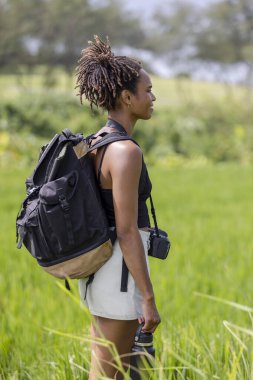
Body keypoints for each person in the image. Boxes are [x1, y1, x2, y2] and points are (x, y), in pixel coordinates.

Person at [75, 36, 161, 379]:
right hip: (119, 273)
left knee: (119, 368)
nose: (153, 98)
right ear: (127, 97)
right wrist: (148, 298)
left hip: (101, 269)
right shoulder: (126, 152)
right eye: (148, 90)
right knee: (109, 372)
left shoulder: (93, 142)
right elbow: (126, 229)